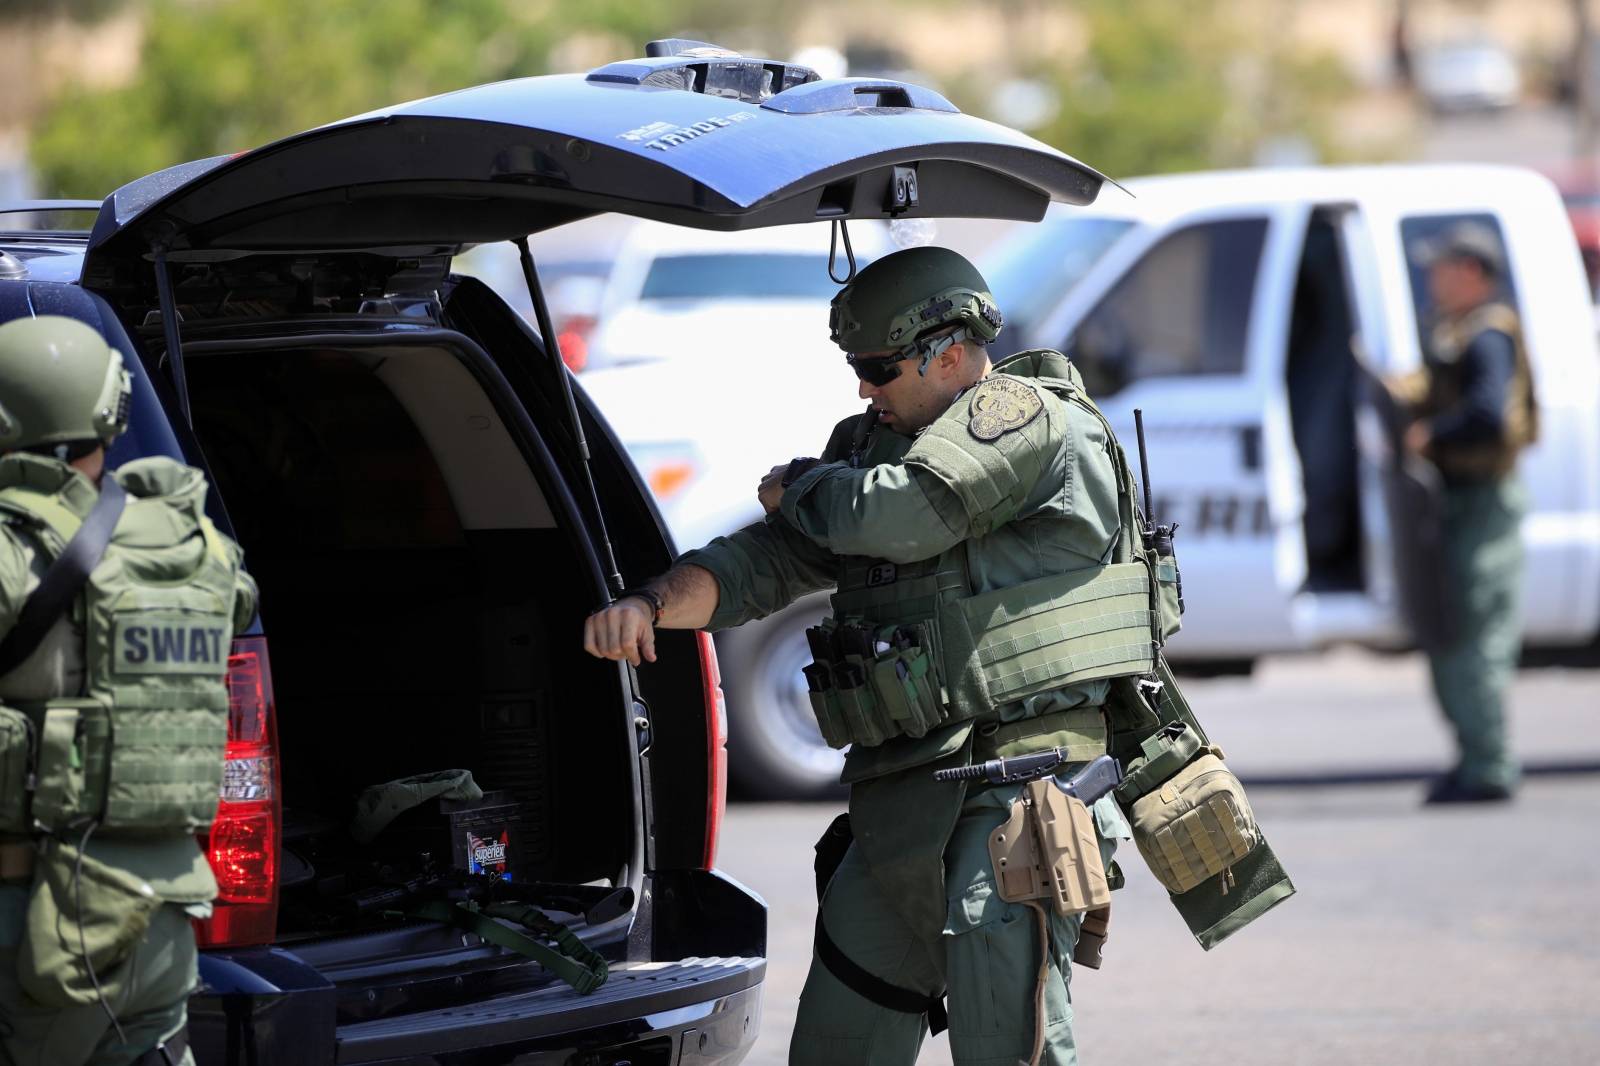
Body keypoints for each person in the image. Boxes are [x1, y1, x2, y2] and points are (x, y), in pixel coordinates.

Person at [585, 246, 1165, 1064]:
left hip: (1021, 790)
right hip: (908, 797)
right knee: (839, 1041)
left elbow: (904, 515)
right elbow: (772, 560)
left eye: (879, 367)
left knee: (1009, 1039)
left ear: (951, 352)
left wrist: (802, 487)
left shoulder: (1027, 418)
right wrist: (650, 605)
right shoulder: (870, 451)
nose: (863, 387)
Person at [0, 315, 257, 1065]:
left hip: (36, 923)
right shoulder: (192, 546)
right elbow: (237, 600)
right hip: (164, 918)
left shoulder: (14, 553)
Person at [1391, 223, 1536, 804]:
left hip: (1485, 502)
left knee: (1477, 636)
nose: (1432, 279)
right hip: (1462, 501)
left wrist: (1430, 434)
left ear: (1471, 273)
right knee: (1454, 633)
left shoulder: (1487, 337)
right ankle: (1474, 758)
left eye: (1442, 268)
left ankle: (1490, 767)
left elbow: (1489, 415)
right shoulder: (1458, 333)